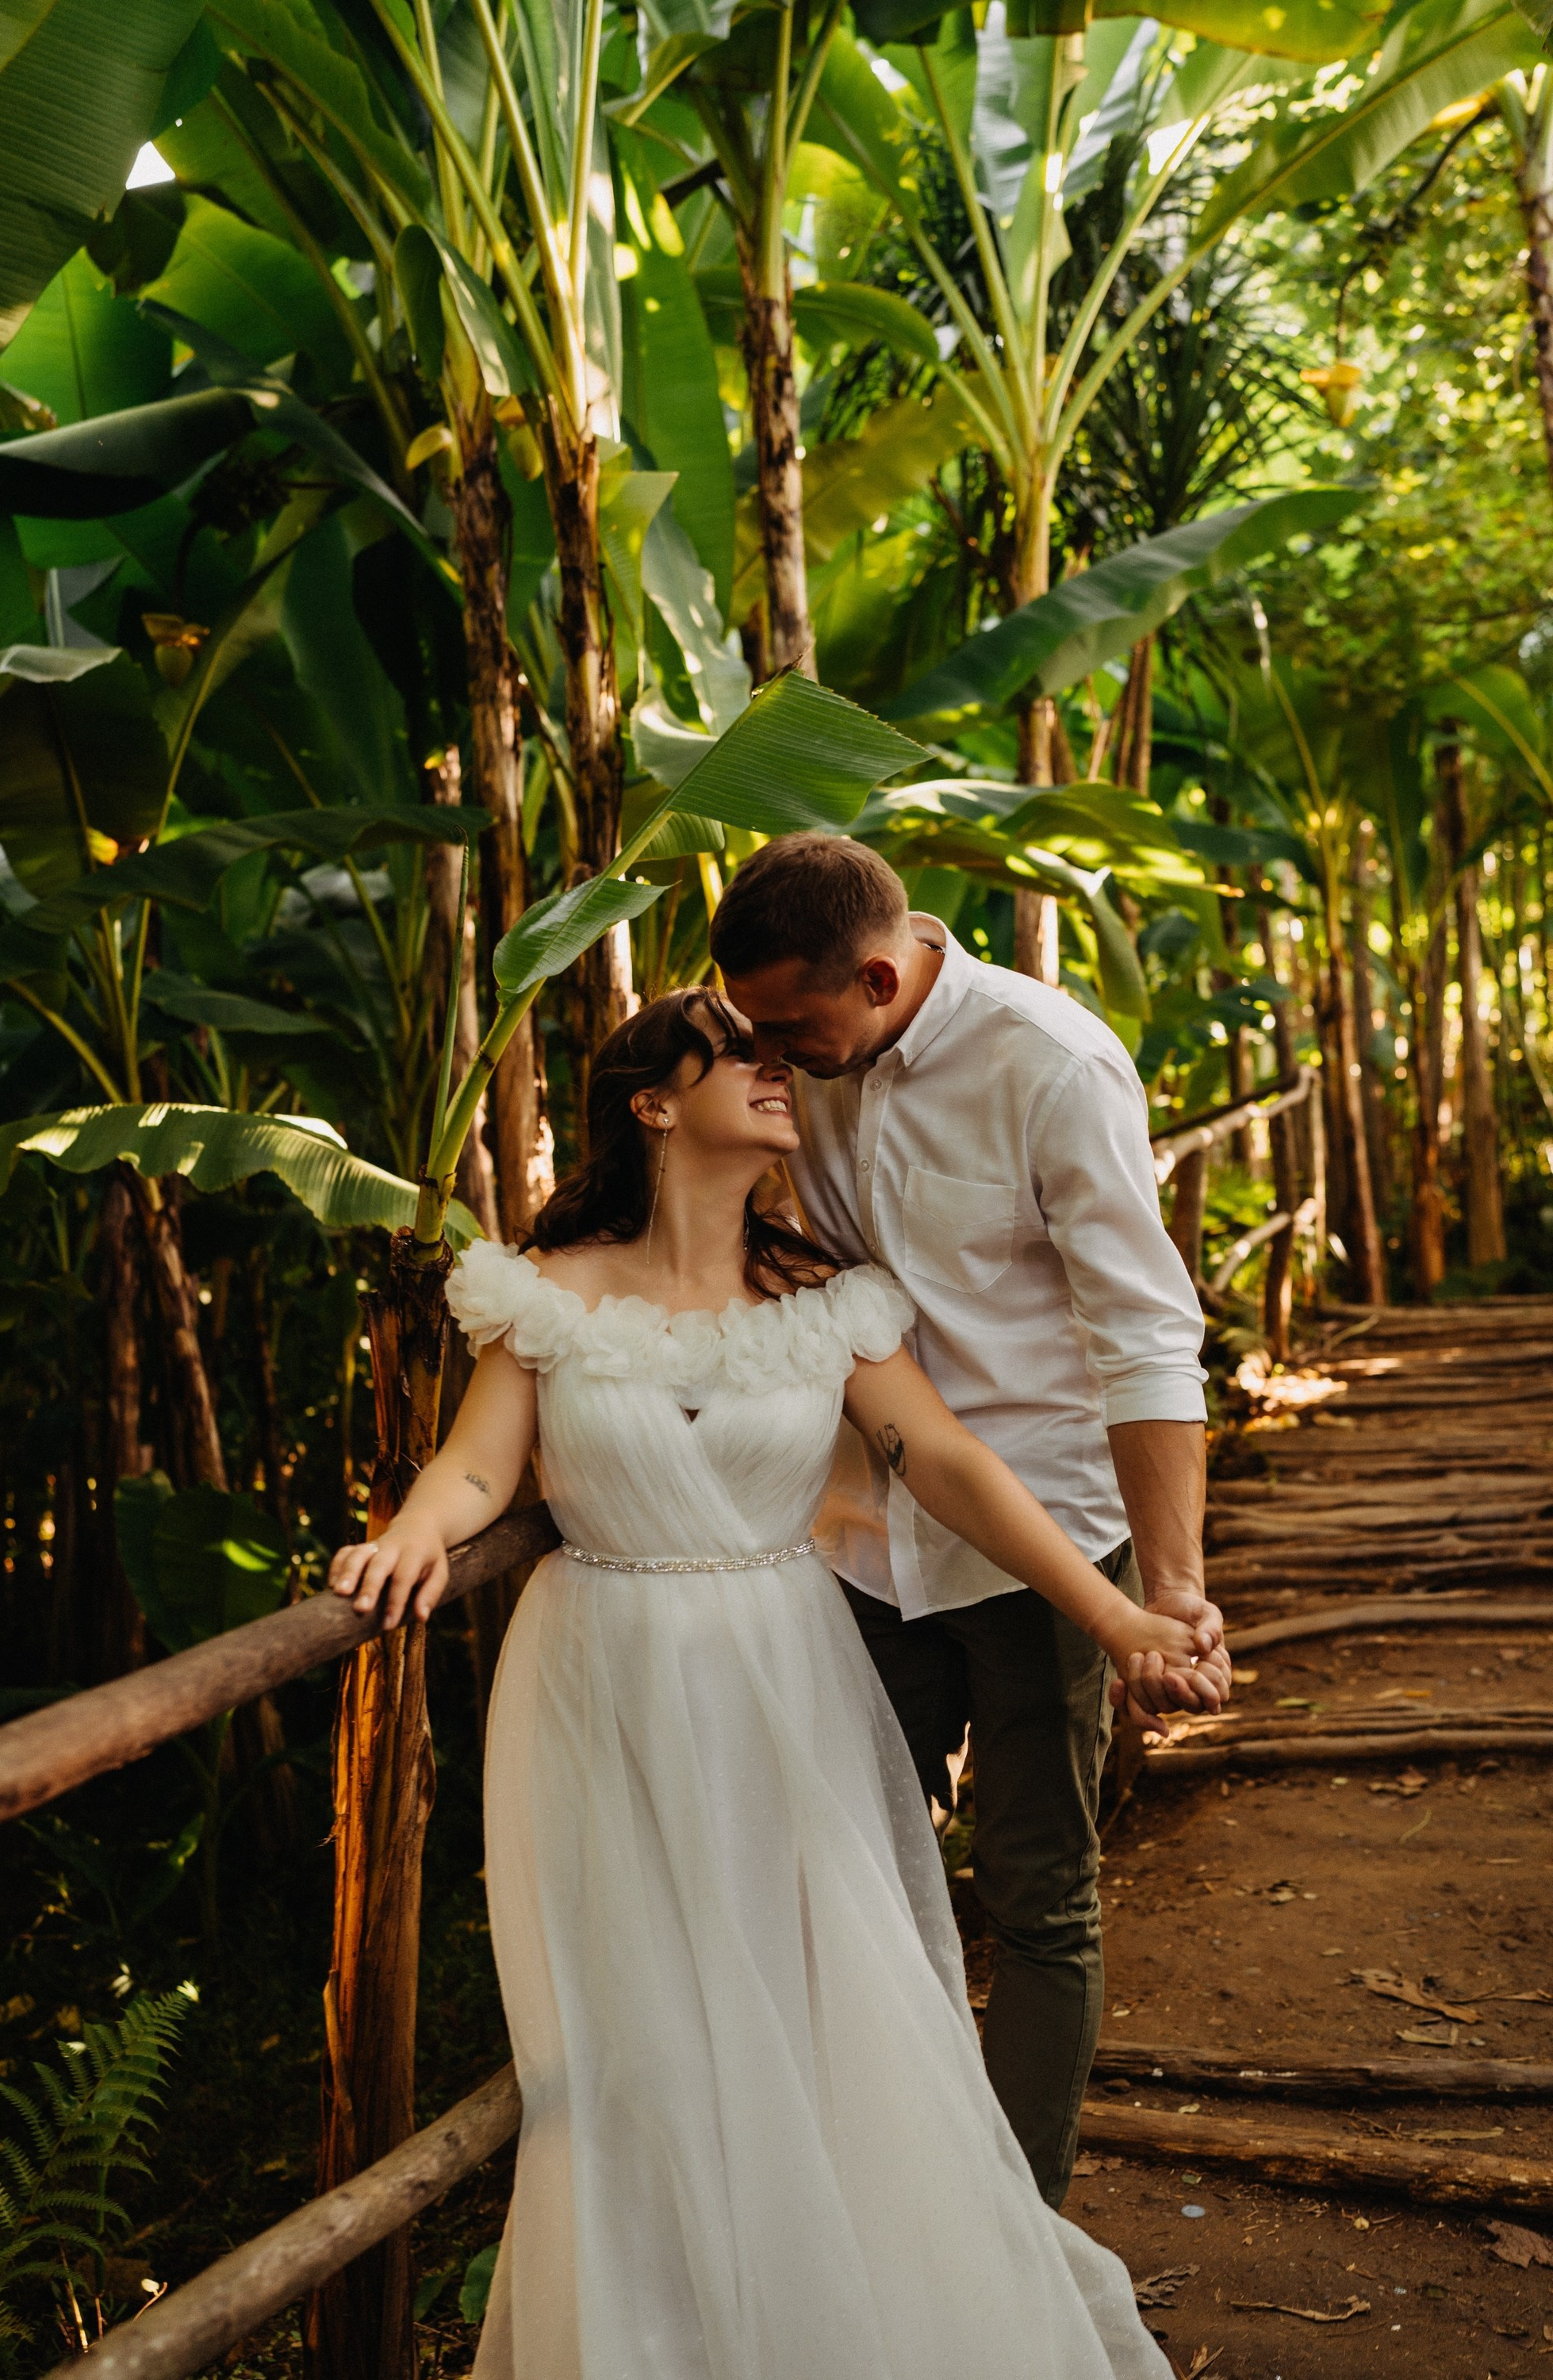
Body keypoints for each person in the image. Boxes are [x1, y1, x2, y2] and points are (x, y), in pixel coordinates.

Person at [331, 989, 1202, 2380]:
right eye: (737, 1053)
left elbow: (951, 1465)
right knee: (633, 2019)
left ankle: (830, 2299)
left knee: (815, 1980)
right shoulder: (547, 1291)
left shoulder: (824, 1300)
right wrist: (412, 1537)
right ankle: (665, 2325)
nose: (775, 1069)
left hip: (787, 1675)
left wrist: (1117, 1613)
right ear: (653, 1103)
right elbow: (480, 1468)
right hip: (599, 1680)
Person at [710, 834, 1229, 2209]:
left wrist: (1170, 1591)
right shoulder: (790, 1049)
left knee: (1038, 1891)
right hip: (851, 1535)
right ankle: (879, 2195)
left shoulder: (1050, 1066)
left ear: (878, 979)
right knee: (839, 1874)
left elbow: (1146, 1336)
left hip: (1043, 1535)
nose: (768, 1055)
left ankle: (1016, 2227)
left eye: (789, 1029)